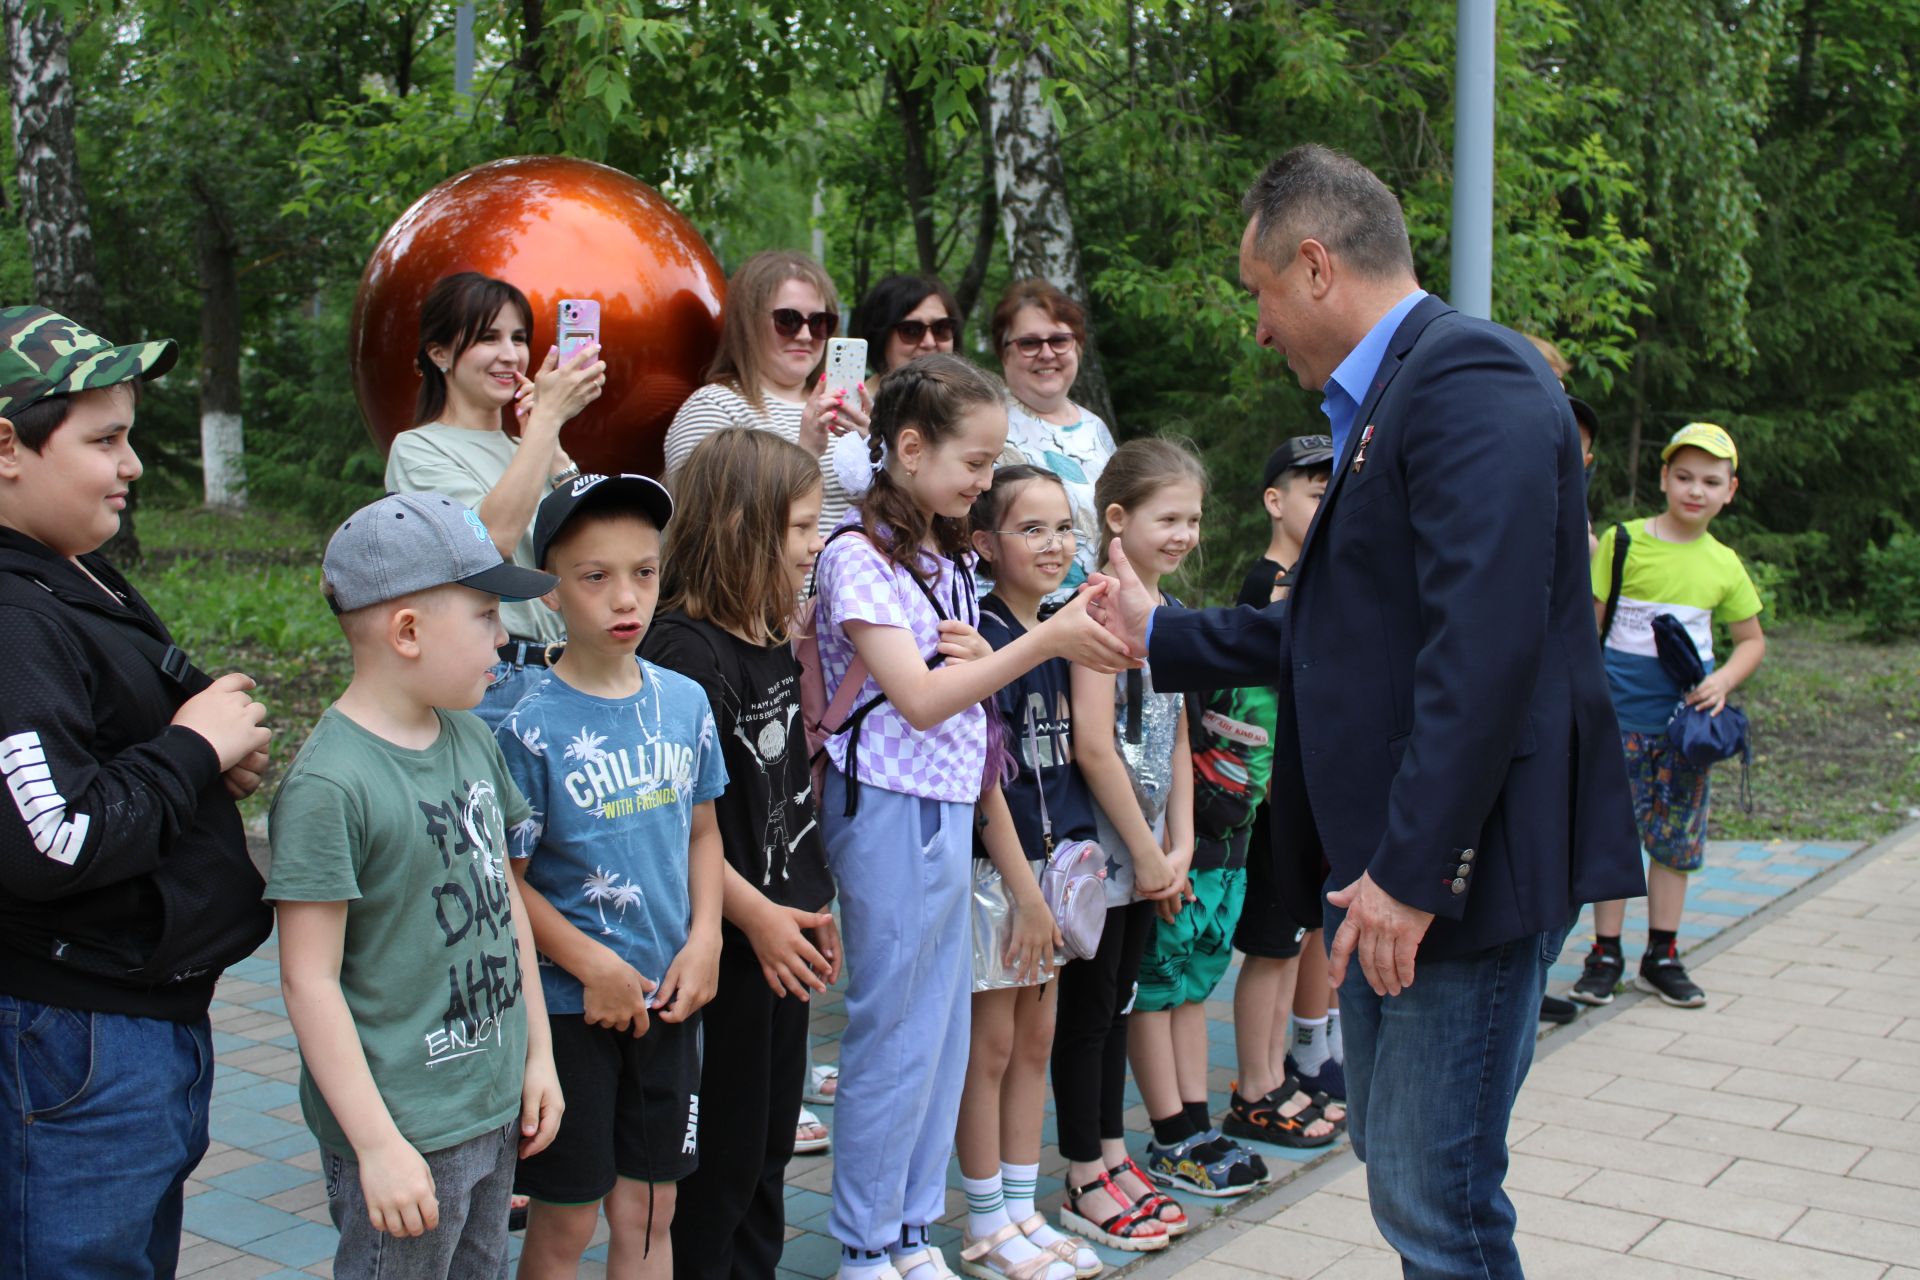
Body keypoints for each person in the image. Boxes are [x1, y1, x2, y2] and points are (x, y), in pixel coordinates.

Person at [1095, 145, 1643, 1278]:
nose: (1257, 328)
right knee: (1408, 1184)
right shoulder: (1406, 389)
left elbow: (1481, 652)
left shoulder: (1469, 381)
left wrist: (1411, 871)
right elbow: (1354, 628)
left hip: (1454, 879)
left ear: (1311, 266)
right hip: (1403, 868)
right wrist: (1162, 632)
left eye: (1256, 293)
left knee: (1439, 1202)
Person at [811, 354, 1129, 1280]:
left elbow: (957, 684)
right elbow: (917, 698)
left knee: (943, 1036)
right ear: (910, 450)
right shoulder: (856, 555)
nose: (984, 484)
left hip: (946, 808)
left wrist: (979, 660)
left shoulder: (941, 555)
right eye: (976, 464)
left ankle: (911, 1234)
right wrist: (1038, 642)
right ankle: (867, 1244)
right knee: (895, 1031)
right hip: (889, 808)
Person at [0, 307, 273, 1278]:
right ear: (6, 447)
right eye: (105, 440)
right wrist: (192, 751)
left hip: (135, 1029)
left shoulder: (67, 573)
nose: (133, 464)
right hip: (78, 1041)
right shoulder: (12, 613)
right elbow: (54, 836)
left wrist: (199, 748)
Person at [270, 492, 564, 1278]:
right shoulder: (330, 786)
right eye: (485, 617)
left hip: (492, 1108)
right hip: (404, 1134)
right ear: (406, 631)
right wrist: (375, 1145)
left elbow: (505, 907)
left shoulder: (471, 736)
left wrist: (538, 1056)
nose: (504, 641)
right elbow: (308, 981)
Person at [495, 474, 728, 1279]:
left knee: (651, 1212)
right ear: (551, 590)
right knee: (568, 1222)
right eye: (595, 577)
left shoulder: (686, 701)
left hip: (670, 998)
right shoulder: (526, 724)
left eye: (644, 571)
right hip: (571, 1010)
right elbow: (508, 878)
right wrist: (591, 964)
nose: (625, 597)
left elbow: (702, 829)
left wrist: (706, 940)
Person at [641, 429, 841, 1280]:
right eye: (801, 527)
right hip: (720, 949)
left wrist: (806, 904)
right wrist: (756, 917)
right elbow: (669, 826)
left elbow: (784, 801)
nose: (816, 544)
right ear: (740, 527)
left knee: (765, 1153)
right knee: (716, 1166)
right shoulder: (681, 655)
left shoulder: (764, 639)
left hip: (779, 942)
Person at [957, 465, 1100, 1280]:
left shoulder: (1055, 627)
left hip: (1053, 872)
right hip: (999, 874)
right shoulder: (982, 637)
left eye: (1063, 529)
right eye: (1031, 529)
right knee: (992, 1046)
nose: (1054, 545)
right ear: (985, 543)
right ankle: (984, 1227)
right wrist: (1021, 890)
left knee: (1036, 1039)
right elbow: (984, 783)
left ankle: (1022, 1209)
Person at [1571, 423, 1766, 1010]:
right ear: (1663, 479)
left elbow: (1752, 641)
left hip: (1685, 733)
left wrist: (1724, 679)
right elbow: (1589, 622)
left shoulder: (1725, 565)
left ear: (1730, 491)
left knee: (1674, 842)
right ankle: (1604, 953)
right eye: (1684, 476)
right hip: (1615, 726)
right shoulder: (1624, 543)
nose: (1696, 490)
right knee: (1613, 838)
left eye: (1711, 481)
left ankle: (1663, 953)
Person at [385, 271, 606, 729]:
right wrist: (546, 420)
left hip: (571, 673)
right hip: (493, 680)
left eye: (519, 338)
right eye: (489, 337)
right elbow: (486, 543)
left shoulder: (530, 446)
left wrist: (553, 446)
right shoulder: (418, 448)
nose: (511, 355)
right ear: (439, 353)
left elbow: (596, 551)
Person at [1222, 437, 1344, 1149]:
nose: (1326, 502)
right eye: (1311, 489)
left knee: (1292, 939)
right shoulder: (1266, 582)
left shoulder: (1317, 575)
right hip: (1268, 798)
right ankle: (1256, 1086)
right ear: (1274, 501)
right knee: (1269, 945)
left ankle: (1277, 1073)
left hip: (1307, 793)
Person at [664, 250, 870, 539]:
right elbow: (705, 536)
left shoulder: (846, 412)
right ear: (747, 324)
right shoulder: (713, 407)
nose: (805, 336)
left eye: (819, 322)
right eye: (787, 320)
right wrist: (805, 454)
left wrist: (878, 454)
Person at [992, 281, 1116, 599]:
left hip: (1099, 609)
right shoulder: (988, 425)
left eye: (1060, 340)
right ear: (1004, 353)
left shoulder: (1095, 428)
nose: (1047, 354)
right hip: (1024, 619)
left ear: (1078, 347)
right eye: (1029, 343)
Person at [853, 274, 960, 379]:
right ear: (880, 339)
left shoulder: (974, 395)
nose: (929, 343)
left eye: (940, 328)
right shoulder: (849, 396)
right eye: (911, 330)